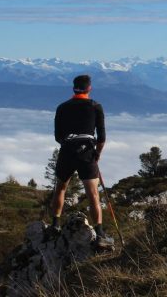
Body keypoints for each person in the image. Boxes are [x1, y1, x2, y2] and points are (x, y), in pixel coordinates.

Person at [50, 74, 113, 248]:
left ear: (73, 88)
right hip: (87, 153)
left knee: (61, 187)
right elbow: (102, 137)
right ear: (89, 88)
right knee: (93, 193)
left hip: (67, 152)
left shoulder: (62, 107)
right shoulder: (95, 106)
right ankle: (99, 233)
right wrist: (97, 153)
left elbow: (58, 136)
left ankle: (55, 224)